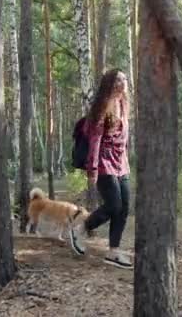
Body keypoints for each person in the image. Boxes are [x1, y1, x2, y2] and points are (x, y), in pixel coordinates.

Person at [72, 69, 132, 269]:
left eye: (124, 79)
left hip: (121, 163)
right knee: (113, 205)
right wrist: (93, 169)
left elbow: (124, 137)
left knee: (124, 208)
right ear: (110, 84)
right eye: (118, 80)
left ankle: (113, 251)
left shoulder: (124, 103)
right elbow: (95, 139)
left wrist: (126, 160)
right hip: (104, 162)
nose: (123, 82)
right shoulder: (103, 106)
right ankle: (82, 228)